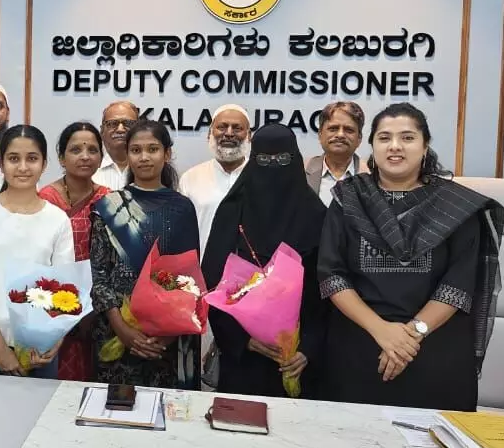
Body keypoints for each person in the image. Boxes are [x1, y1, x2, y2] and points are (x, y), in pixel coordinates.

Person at [318, 102, 504, 412]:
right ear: (372, 145)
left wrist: (411, 336)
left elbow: (458, 285)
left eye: (407, 137)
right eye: (384, 137)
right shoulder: (349, 199)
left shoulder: (455, 206)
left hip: (433, 347)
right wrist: (381, 331)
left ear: (425, 145)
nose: (395, 146)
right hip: (359, 342)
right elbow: (331, 275)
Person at [202, 123, 327, 398]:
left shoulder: (316, 215)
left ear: (295, 160)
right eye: (264, 159)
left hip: (299, 362)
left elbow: (330, 288)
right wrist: (242, 339)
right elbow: (212, 279)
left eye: (282, 159)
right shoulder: (232, 212)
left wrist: (308, 348)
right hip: (244, 360)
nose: (273, 166)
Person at [90, 120, 202, 390]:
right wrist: (122, 329)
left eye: (152, 149)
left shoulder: (183, 208)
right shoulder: (108, 207)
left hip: (168, 338)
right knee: (116, 408)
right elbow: (99, 276)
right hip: (116, 335)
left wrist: (168, 333)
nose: (144, 157)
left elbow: (189, 278)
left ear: (167, 154)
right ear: (127, 155)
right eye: (136, 150)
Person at [0, 124, 75, 378]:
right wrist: (0, 349)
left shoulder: (58, 219)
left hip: (40, 348)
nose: (23, 167)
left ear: (44, 164)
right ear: (1, 164)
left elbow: (66, 289)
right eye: (14, 159)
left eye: (32, 158)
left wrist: (55, 341)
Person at [38, 121, 110, 382]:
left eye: (92, 150)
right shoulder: (44, 199)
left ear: (101, 158)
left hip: (96, 309)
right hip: (51, 305)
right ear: (61, 157)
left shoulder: (109, 200)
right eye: (76, 150)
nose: (85, 156)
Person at [179, 103, 252, 255]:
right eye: (222, 127)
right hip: (201, 267)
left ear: (249, 136)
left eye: (237, 128)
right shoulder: (190, 178)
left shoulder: (261, 177)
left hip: (251, 269)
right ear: (209, 134)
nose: (229, 133)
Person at [306, 101, 369, 205]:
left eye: (349, 130)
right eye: (333, 129)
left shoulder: (373, 176)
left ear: (359, 138)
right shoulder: (301, 172)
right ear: (320, 134)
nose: (340, 135)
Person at [92, 100, 140, 190]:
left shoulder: (149, 168)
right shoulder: (88, 168)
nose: (120, 129)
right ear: (102, 131)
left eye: (128, 123)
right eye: (112, 123)